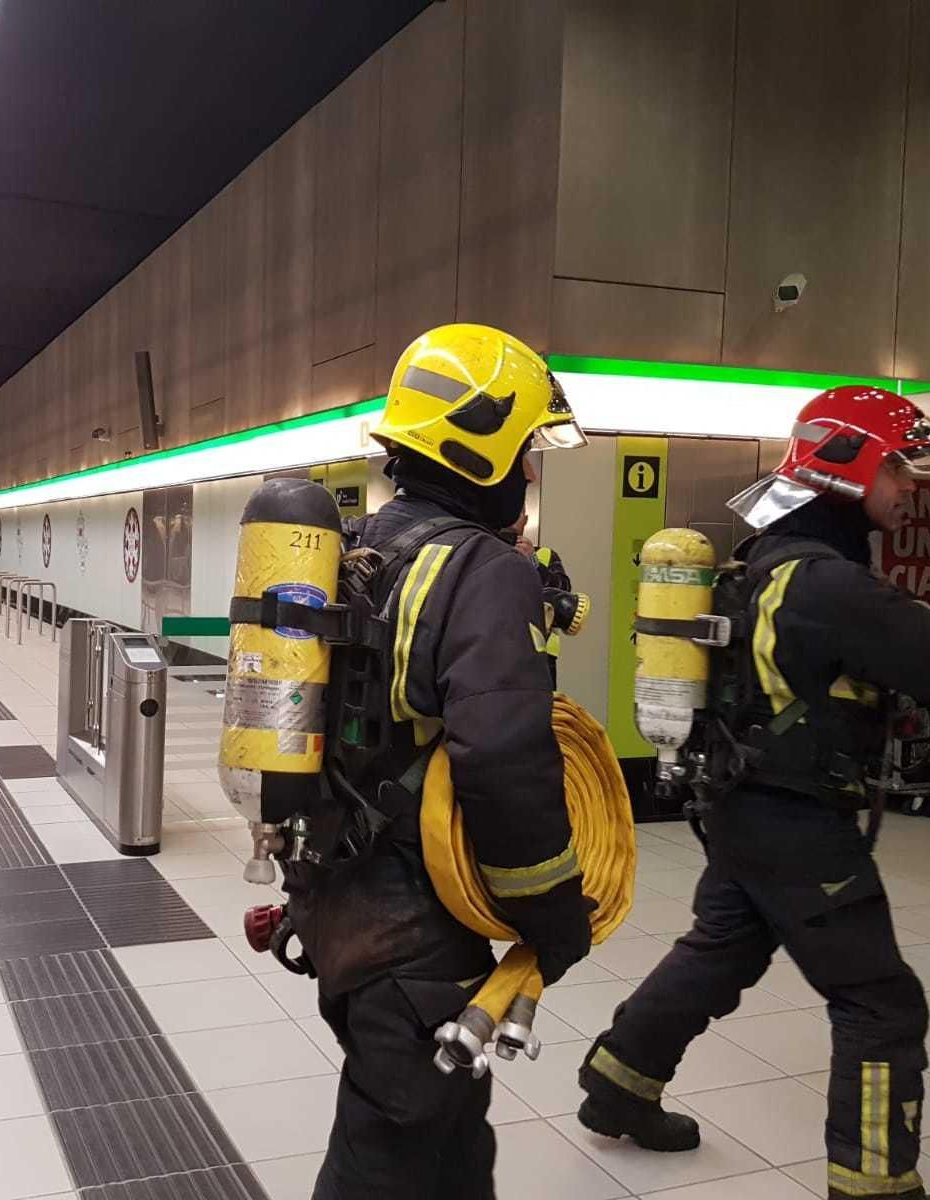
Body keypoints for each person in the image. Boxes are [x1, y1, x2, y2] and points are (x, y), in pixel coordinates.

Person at [576, 386, 930, 1200]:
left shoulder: (762, 559)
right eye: (899, 469)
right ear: (853, 465)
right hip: (793, 817)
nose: (910, 489)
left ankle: (619, 1083)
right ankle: (876, 1185)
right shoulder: (827, 583)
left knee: (722, 949)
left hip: (741, 804)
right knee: (879, 1001)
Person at [292, 323, 594, 1199]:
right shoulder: (483, 573)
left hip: (339, 902)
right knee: (388, 1158)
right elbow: (503, 759)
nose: (530, 474)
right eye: (526, 452)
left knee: (453, 1146)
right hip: (417, 938)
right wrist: (552, 911)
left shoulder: (361, 552)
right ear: (483, 447)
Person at [502, 499, 571, 684]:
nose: (509, 521)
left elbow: (564, 594)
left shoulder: (545, 556)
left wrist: (533, 563)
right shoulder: (484, 552)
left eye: (515, 515)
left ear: (525, 520)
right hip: (495, 652)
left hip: (541, 656)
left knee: (541, 710)